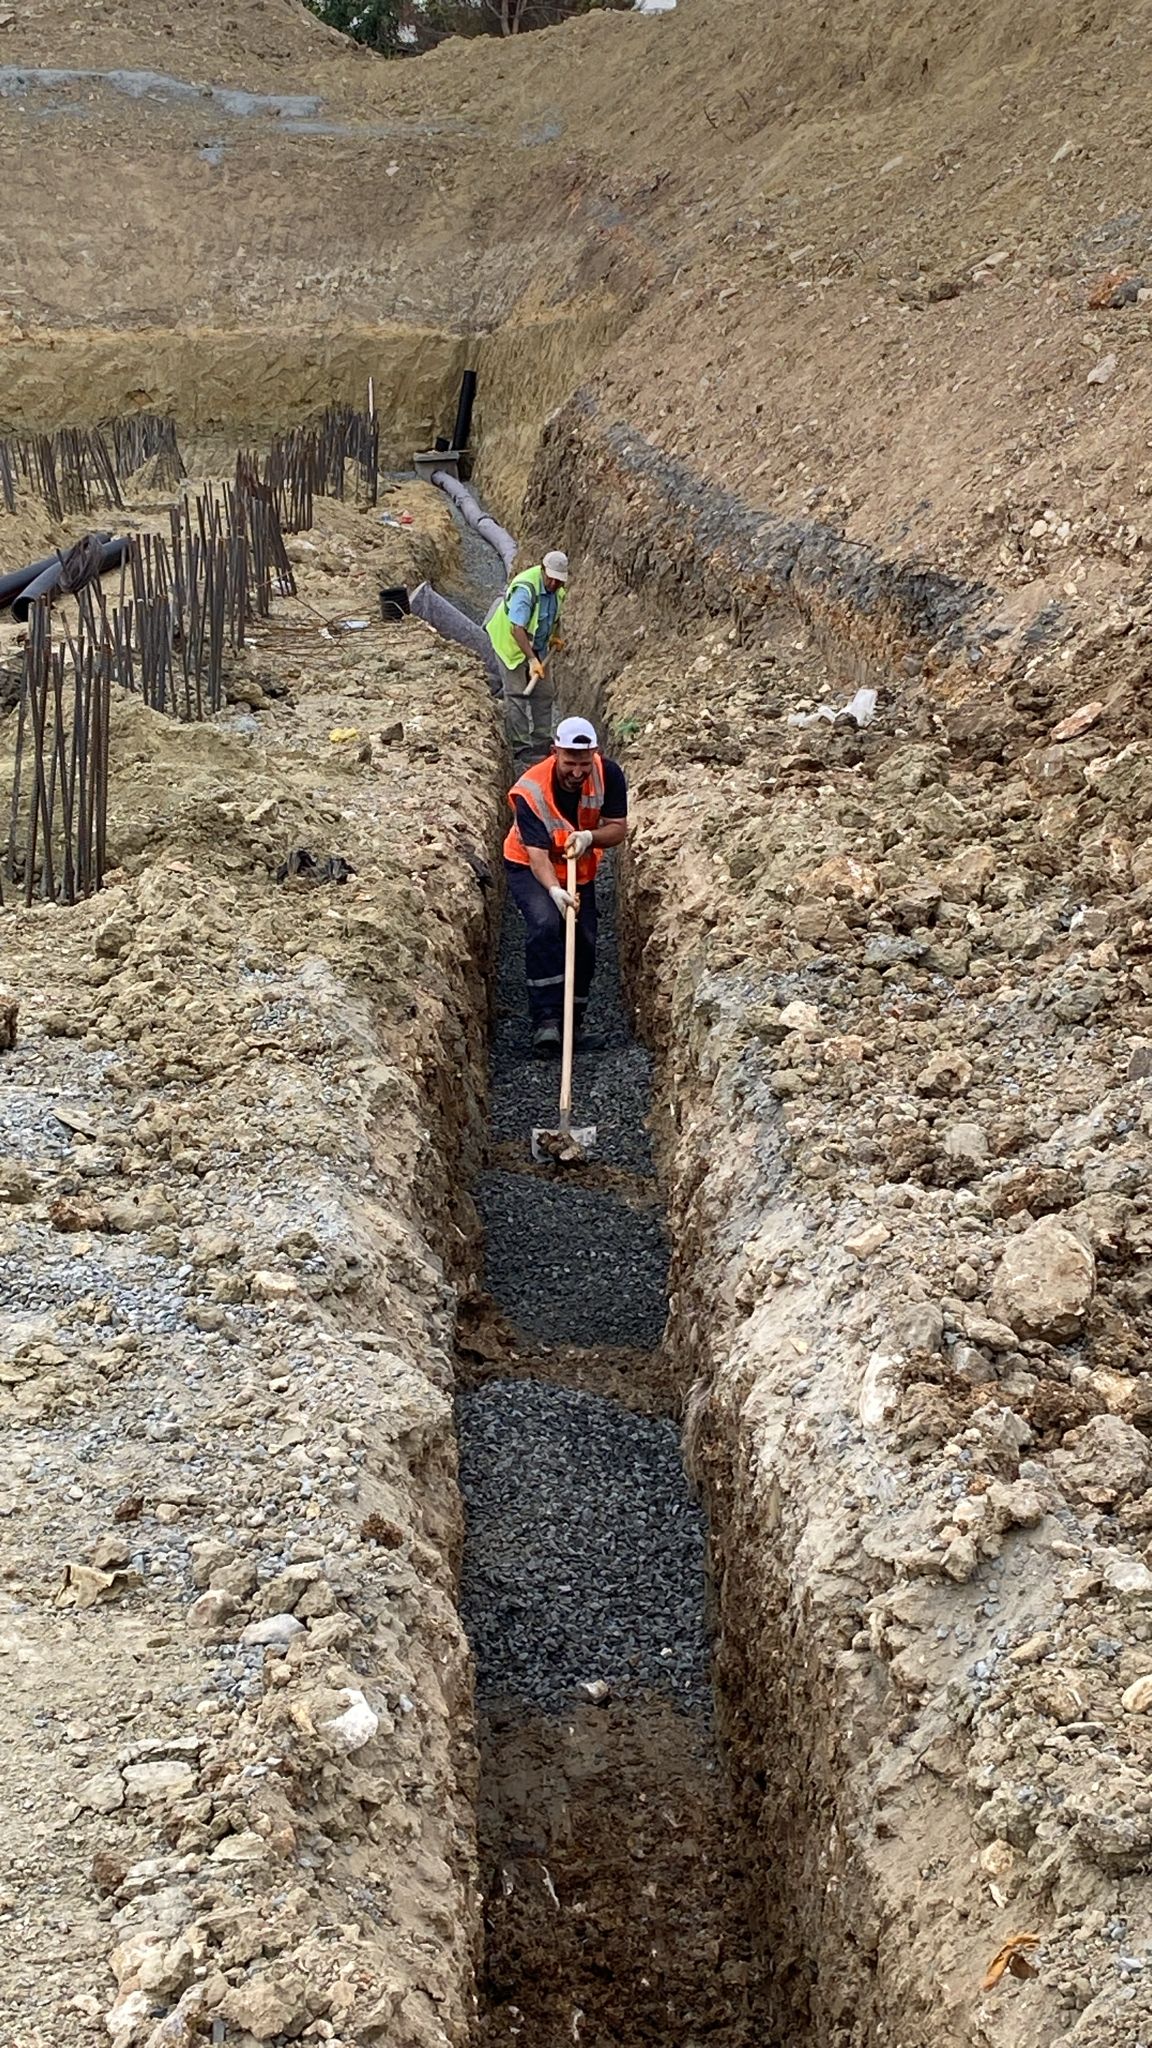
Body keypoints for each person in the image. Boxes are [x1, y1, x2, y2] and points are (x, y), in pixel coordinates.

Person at [503, 717, 628, 1057]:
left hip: (579, 868)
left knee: (584, 937)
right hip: (530, 867)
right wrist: (554, 891)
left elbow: (618, 829)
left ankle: (573, 1023)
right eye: (570, 763)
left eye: (584, 763)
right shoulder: (530, 790)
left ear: (595, 755)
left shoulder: (609, 774)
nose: (577, 771)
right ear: (554, 752)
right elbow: (537, 856)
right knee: (546, 924)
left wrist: (590, 837)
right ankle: (546, 1021)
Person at [485, 549, 569, 752]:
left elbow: (552, 616)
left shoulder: (558, 590)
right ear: (543, 570)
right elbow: (517, 629)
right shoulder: (526, 590)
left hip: (537, 646)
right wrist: (532, 660)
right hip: (512, 645)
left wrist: (555, 635)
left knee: (545, 692)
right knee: (517, 695)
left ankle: (541, 741)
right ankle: (520, 746)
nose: (554, 585)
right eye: (551, 580)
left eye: (559, 581)